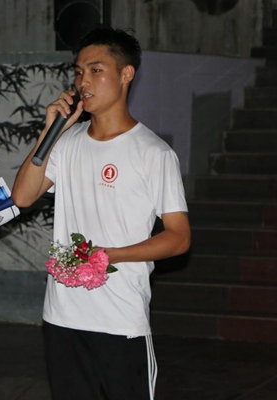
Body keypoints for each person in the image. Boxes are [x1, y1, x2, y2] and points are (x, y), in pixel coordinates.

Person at [11, 27, 191, 400]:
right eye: (79, 72)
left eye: (96, 70)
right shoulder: (66, 142)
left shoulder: (153, 153)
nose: (84, 82)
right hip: (62, 317)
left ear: (126, 74)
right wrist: (50, 130)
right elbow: (23, 196)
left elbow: (179, 237)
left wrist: (110, 255)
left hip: (120, 320)